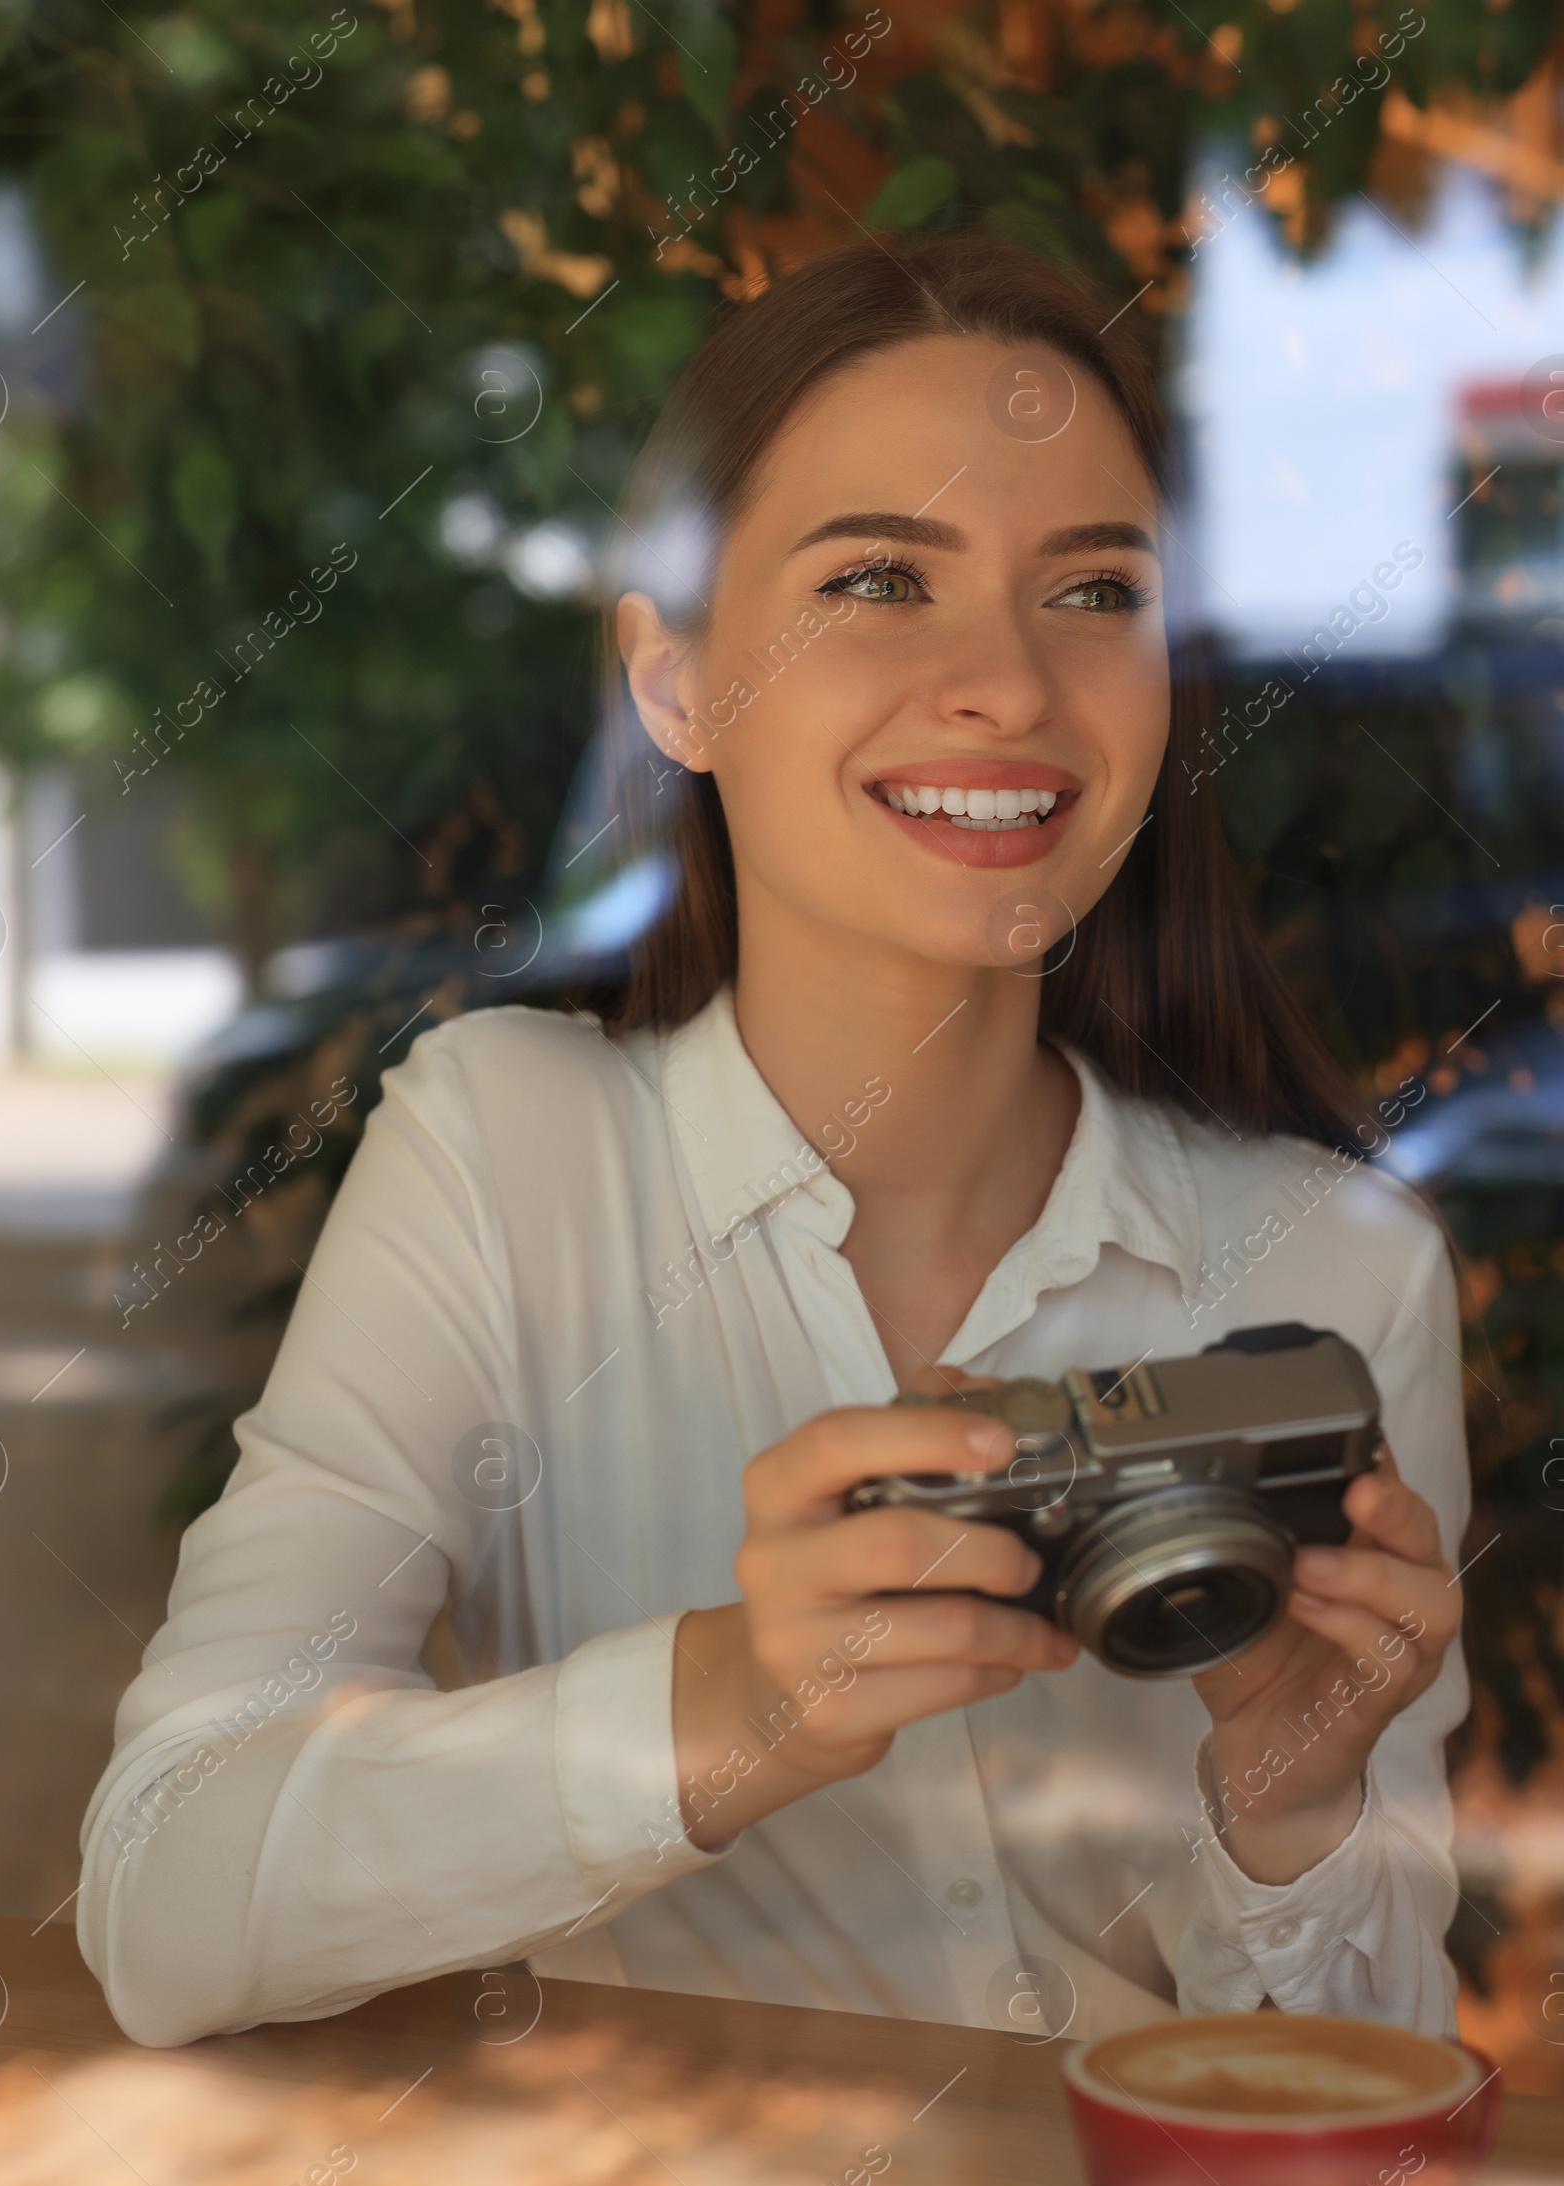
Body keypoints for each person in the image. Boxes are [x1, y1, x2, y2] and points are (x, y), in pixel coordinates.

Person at [81, 237, 1468, 2049]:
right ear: (674, 684)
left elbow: (1353, 2134)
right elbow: (166, 1896)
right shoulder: (507, 1150)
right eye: (882, 577)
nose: (1008, 686)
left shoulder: (1343, 1267)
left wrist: (1293, 1808)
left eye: (1095, 591)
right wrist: (725, 1704)